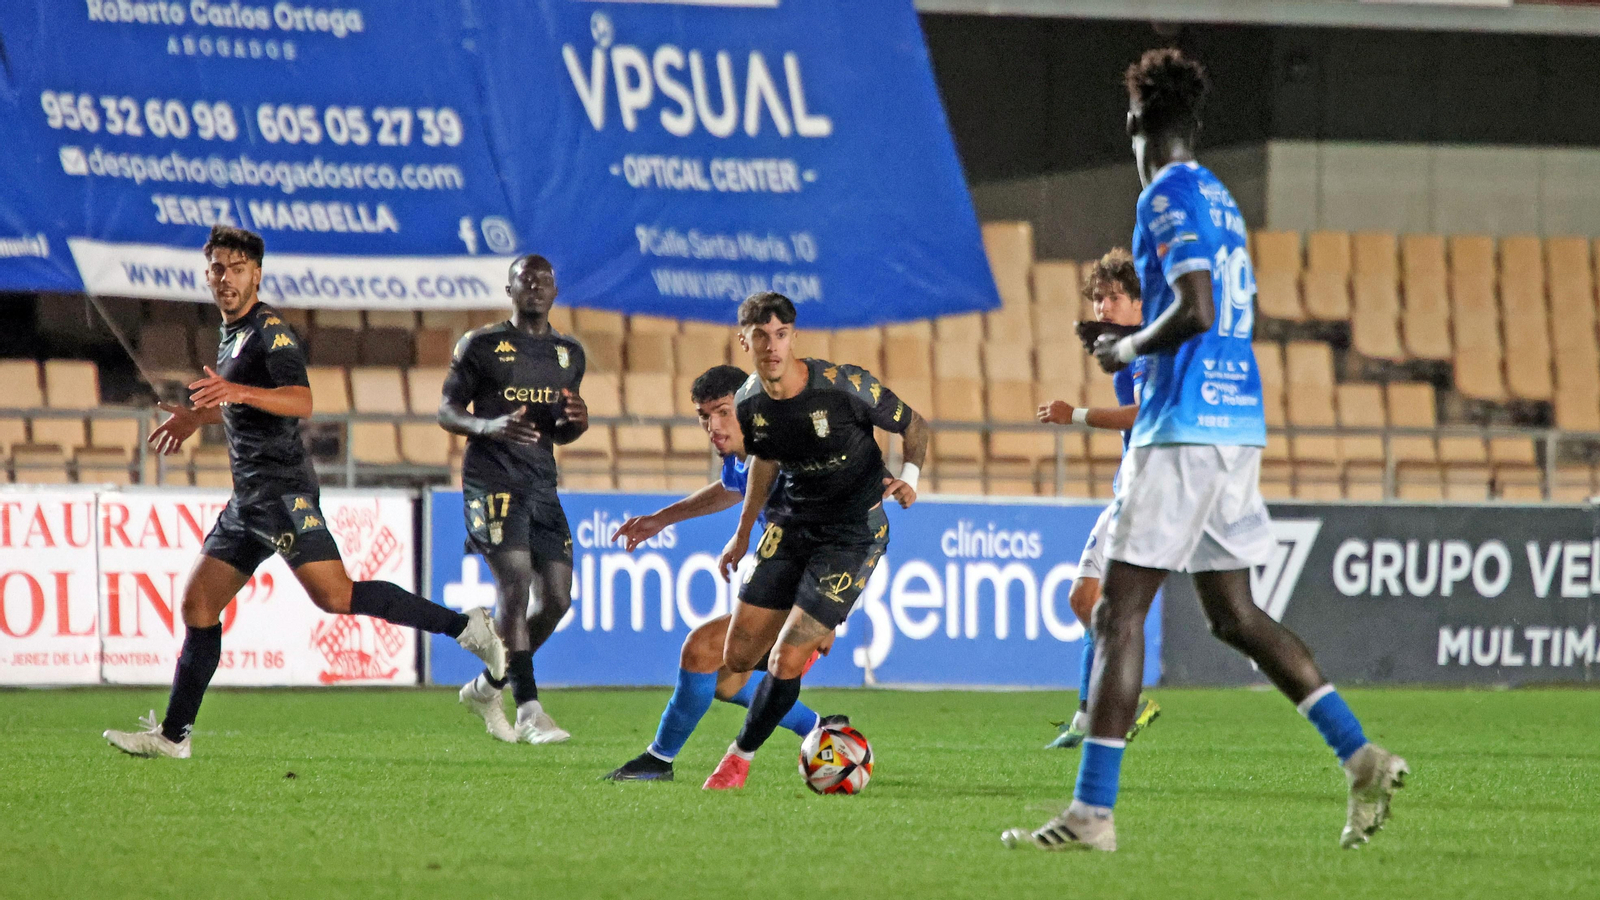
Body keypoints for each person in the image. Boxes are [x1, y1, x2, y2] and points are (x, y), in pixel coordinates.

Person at [1006, 49, 1405, 852]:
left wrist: (1124, 354)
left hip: (1182, 429)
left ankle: (1092, 812)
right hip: (1233, 420)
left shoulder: (1166, 193)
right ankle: (1360, 755)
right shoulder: (1221, 198)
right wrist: (1139, 340)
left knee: (1118, 612)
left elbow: (1194, 307)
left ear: (1134, 125)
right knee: (1236, 616)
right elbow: (1212, 314)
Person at [104, 225, 506, 759]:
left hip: (282, 491)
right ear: (207, 275)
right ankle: (173, 738)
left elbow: (300, 401)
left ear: (257, 275)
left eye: (238, 269)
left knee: (336, 596)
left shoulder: (272, 331)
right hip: (248, 498)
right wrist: (198, 415)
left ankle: (466, 627)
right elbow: (238, 402)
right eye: (218, 269)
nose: (226, 279)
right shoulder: (233, 333)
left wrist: (233, 391)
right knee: (198, 604)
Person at [703, 291, 928, 790]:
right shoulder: (749, 403)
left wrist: (909, 475)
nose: (771, 346)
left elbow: (914, 424)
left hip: (852, 534)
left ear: (793, 336)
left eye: (780, 334)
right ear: (745, 341)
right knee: (737, 663)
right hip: (791, 530)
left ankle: (737, 759)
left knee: (784, 659)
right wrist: (742, 533)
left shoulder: (842, 385)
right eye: (760, 336)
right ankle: (808, 624)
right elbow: (763, 462)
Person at [602, 365, 834, 782]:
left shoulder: (788, 458)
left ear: (747, 408)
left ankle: (658, 760)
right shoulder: (742, 460)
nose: (713, 425)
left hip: (818, 587)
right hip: (787, 586)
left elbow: (833, 526)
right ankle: (820, 728)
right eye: (703, 416)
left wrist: (826, 612)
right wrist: (661, 519)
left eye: (723, 411)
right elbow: (730, 489)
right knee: (726, 682)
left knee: (701, 650)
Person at [442, 254, 589, 745]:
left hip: (541, 483)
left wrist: (576, 424)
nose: (536, 287)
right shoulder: (481, 345)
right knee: (515, 584)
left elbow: (560, 432)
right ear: (510, 289)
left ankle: (491, 684)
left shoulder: (569, 354)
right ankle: (529, 710)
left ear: (555, 289)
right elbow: (446, 410)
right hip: (491, 480)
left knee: (559, 599)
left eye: (545, 280)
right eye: (526, 280)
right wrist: (488, 425)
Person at [1037, 250, 1160, 750]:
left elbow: (1143, 415)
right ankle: (1103, 710)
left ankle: (1108, 712)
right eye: (1097, 299)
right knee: (1084, 600)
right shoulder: (1126, 352)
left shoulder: (1151, 351)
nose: (1103, 307)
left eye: (1113, 298)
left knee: (1109, 607)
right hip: (1128, 486)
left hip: (1152, 487)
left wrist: (1077, 415)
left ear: (1138, 302)